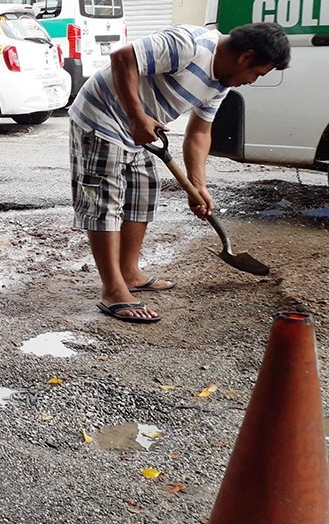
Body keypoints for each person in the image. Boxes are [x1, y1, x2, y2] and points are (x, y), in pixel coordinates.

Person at [68, 23, 290, 323]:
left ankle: (130, 273)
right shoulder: (189, 45)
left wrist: (197, 186)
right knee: (104, 203)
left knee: (142, 196)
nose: (251, 81)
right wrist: (136, 116)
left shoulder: (221, 83)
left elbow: (199, 133)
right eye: (257, 74)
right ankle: (113, 290)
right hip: (102, 118)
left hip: (142, 131)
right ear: (246, 57)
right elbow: (122, 57)